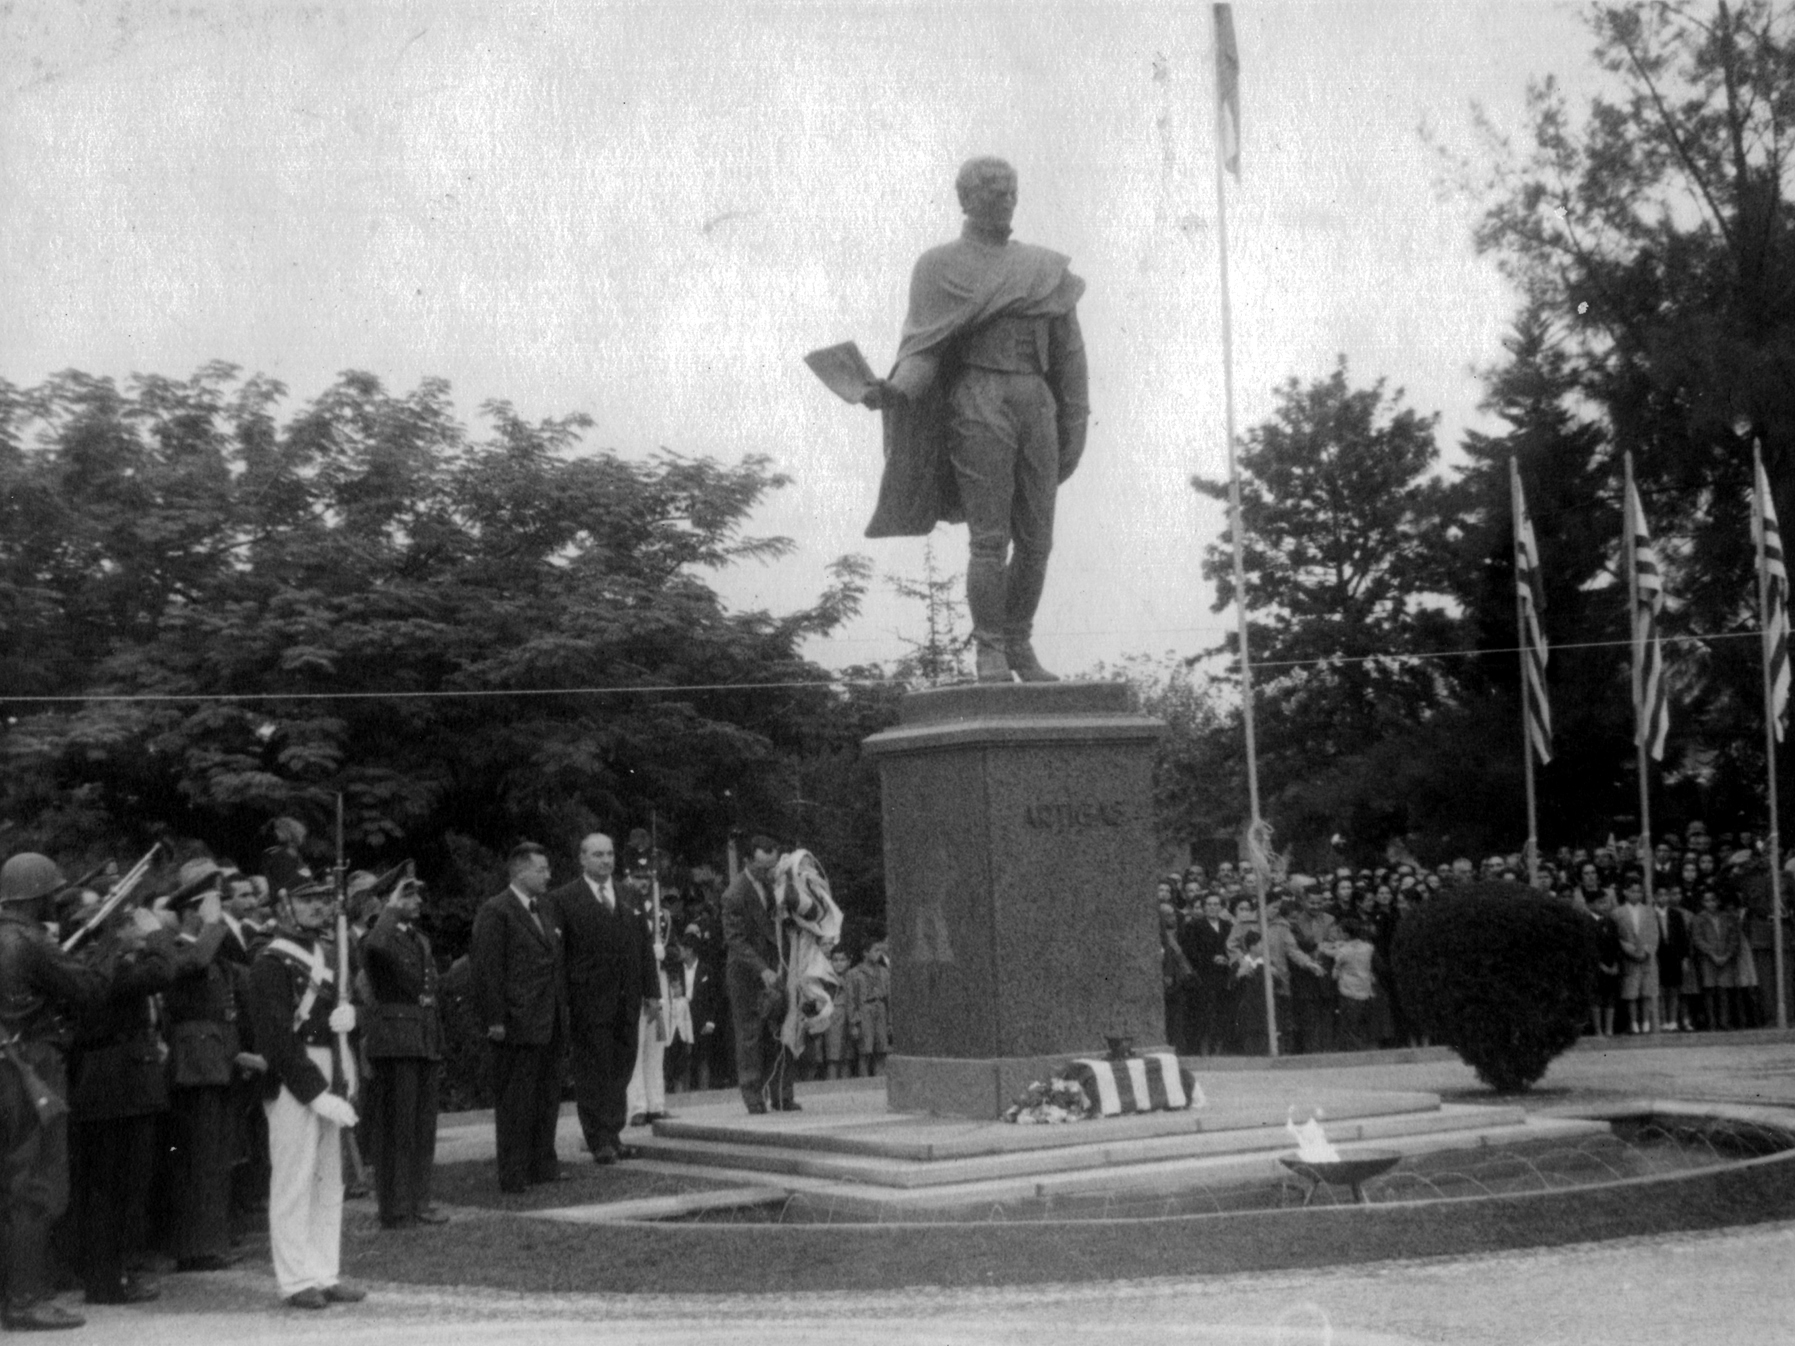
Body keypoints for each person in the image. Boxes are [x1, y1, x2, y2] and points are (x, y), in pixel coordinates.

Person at [860, 155, 1090, 683]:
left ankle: (1019, 644)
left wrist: (1075, 420)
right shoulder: (938, 266)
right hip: (978, 398)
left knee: (1038, 540)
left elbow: (1070, 354)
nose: (1005, 196)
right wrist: (893, 392)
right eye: (992, 189)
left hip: (1037, 403)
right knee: (990, 538)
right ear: (965, 198)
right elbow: (925, 349)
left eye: (1011, 188)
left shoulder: (1045, 267)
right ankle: (990, 649)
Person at [0, 855, 113, 1331]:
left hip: (8, 1062)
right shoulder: (29, 940)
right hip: (32, 1069)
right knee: (37, 1184)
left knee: (11, 1182)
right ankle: (26, 1298)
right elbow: (89, 989)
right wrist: (106, 941)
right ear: (39, 896)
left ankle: (17, 1292)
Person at [244, 880, 365, 1310]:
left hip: (333, 1063)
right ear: (284, 904)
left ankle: (324, 1271)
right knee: (294, 1180)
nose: (317, 907)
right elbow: (276, 1039)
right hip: (296, 1075)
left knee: (329, 1180)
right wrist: (314, 1093)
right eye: (306, 898)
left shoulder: (333, 953)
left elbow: (352, 1008)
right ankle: (295, 1279)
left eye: (321, 899)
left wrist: (352, 1018)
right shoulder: (271, 961)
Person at [65, 877, 182, 1308]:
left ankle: (111, 1274)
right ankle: (107, 1281)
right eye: (125, 923)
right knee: (114, 1188)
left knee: (113, 1187)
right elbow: (164, 970)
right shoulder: (103, 968)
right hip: (117, 1085)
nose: (134, 928)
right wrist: (156, 933)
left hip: (110, 1083)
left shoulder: (96, 965)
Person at [544, 834, 659, 1164]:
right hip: (588, 1001)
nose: (606, 860)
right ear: (582, 858)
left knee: (621, 1067)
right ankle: (599, 1139)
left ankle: (614, 1132)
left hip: (627, 998)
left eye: (609, 854)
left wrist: (652, 992)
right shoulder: (564, 899)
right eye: (597, 855)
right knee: (594, 1071)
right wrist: (564, 1002)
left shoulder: (628, 895)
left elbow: (644, 947)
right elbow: (560, 957)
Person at [161, 863, 249, 1273]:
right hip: (193, 1064)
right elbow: (192, 964)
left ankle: (209, 1241)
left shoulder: (207, 948)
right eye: (212, 903)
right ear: (193, 910)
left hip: (212, 1060)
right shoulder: (175, 945)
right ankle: (195, 1246)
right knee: (196, 1157)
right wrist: (210, 927)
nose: (220, 912)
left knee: (213, 1156)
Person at [469, 843, 567, 1191]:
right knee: (517, 1100)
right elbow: (487, 970)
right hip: (517, 1020)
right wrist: (495, 1018)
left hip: (550, 1017)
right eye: (541, 870)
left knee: (547, 1095)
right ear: (520, 872)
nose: (548, 875)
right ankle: (513, 1172)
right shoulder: (497, 911)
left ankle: (543, 1163)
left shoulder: (546, 908)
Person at [360, 875, 447, 1230]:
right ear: (387, 901)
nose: (417, 901)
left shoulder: (417, 938)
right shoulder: (378, 937)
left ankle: (418, 1200)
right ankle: (395, 1208)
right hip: (395, 1041)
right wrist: (390, 910)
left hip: (421, 1036)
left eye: (415, 894)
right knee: (397, 1128)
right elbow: (375, 948)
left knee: (422, 1126)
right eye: (406, 895)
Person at [721, 836, 795, 1112]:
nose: (768, 872)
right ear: (747, 862)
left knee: (782, 1030)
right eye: (762, 867)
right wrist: (761, 968)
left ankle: (782, 1094)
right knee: (750, 1035)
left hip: (776, 969)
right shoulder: (734, 894)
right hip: (747, 975)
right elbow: (735, 941)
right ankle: (753, 1097)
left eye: (772, 866)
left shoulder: (775, 884)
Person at [664, 927, 721, 1093]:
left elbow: (714, 997)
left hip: (700, 1019)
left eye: (682, 948)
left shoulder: (706, 970)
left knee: (703, 1059)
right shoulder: (675, 970)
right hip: (680, 1020)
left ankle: (704, 1095)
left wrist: (711, 1022)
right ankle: (683, 1096)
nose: (680, 951)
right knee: (682, 1061)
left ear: (690, 950)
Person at [1613, 872, 1661, 1035]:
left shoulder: (1649, 911)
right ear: (1625, 892)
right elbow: (1618, 936)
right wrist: (1630, 950)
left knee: (1647, 991)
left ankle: (1646, 1021)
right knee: (1631, 992)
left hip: (1647, 957)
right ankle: (1633, 1023)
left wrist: (1647, 951)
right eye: (1632, 891)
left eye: (1639, 891)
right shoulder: (1617, 913)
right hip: (1629, 957)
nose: (1636, 894)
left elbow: (1655, 934)